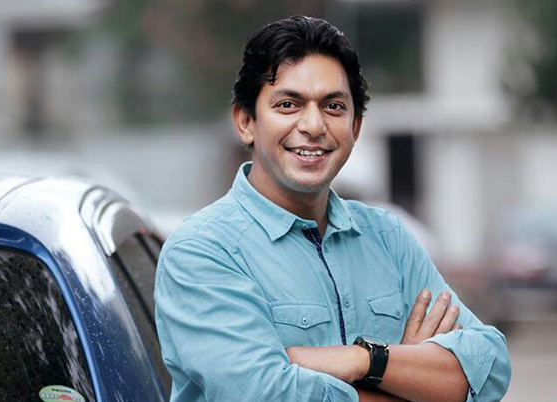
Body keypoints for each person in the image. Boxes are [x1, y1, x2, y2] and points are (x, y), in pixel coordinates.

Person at [155, 16, 511, 402]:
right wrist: (412, 379)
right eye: (288, 104)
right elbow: (267, 395)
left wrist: (364, 359)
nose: (313, 125)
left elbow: (489, 368)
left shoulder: (387, 238)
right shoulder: (202, 251)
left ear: (355, 127)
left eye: (334, 106)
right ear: (246, 122)